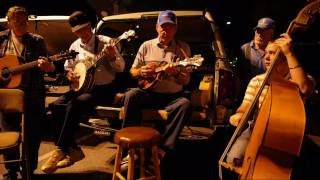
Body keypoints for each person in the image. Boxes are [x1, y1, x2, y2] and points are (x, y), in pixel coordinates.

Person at [40, 11, 125, 174]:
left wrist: (112, 57)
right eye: (78, 31)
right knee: (56, 105)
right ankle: (73, 149)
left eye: (85, 29)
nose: (82, 34)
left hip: (103, 89)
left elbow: (121, 68)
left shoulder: (106, 42)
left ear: (91, 27)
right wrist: (69, 74)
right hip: (82, 87)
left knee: (75, 103)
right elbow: (68, 68)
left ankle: (61, 148)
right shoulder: (74, 45)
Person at [226, 33, 314, 166]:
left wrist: (290, 53)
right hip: (256, 129)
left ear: (285, 57)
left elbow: (304, 88)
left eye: (272, 53)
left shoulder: (299, 79)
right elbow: (245, 106)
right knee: (233, 159)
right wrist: (239, 114)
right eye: (266, 53)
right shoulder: (257, 80)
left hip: (289, 134)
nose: (266, 57)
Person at [122, 10, 192, 157]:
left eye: (170, 26)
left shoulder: (183, 48)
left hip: (172, 97)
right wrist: (141, 71)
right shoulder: (146, 46)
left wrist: (177, 73)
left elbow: (186, 80)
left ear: (175, 29)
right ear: (157, 27)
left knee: (184, 104)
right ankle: (130, 148)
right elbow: (132, 72)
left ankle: (162, 150)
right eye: (163, 26)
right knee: (131, 95)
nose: (166, 29)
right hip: (149, 93)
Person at [0, 6, 55, 180]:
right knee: (9, 132)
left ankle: (29, 170)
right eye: (18, 21)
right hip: (8, 95)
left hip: (33, 93)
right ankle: (11, 170)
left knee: (33, 134)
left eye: (25, 21)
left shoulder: (37, 41)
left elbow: (49, 67)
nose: (22, 24)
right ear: (9, 22)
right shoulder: (1, 39)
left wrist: (48, 66)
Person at [235, 17, 275, 106]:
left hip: (268, 96)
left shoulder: (276, 50)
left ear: (271, 33)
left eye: (264, 32)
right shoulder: (245, 49)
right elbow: (238, 75)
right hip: (248, 96)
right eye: (258, 31)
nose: (259, 34)